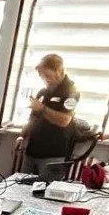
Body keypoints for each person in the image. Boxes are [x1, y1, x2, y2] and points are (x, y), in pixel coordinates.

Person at [21, 54, 79, 184]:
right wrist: (22, 135)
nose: (44, 79)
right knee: (20, 188)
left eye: (47, 75)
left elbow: (64, 120)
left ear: (59, 70)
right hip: (32, 151)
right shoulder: (44, 91)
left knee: (43, 194)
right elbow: (32, 118)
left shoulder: (71, 91)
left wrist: (42, 108)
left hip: (52, 155)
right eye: (41, 76)